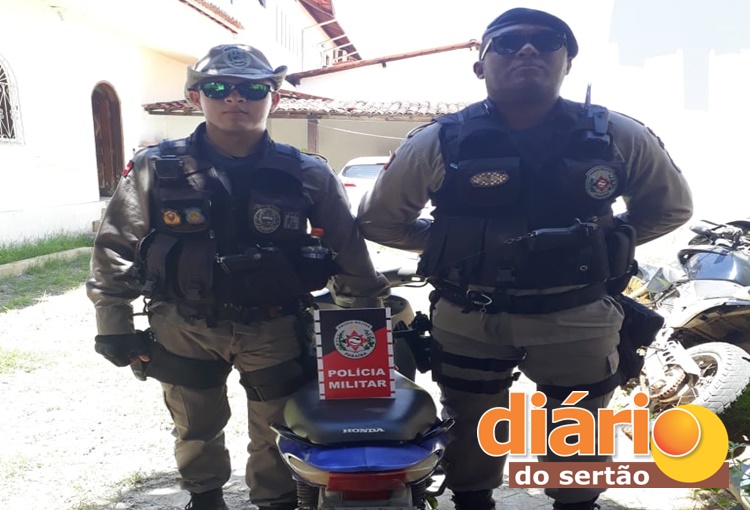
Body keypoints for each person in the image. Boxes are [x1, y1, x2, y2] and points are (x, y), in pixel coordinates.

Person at [357, 7, 693, 510]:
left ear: (567, 62)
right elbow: (380, 221)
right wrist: (455, 245)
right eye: (510, 42)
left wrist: (606, 243)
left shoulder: (618, 136)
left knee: (579, 431)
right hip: (471, 316)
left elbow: (670, 208)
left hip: (576, 315)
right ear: (480, 65)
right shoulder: (441, 140)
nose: (529, 49)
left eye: (547, 40)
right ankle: (473, 502)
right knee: (470, 425)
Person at [86, 44, 390, 510]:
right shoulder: (154, 168)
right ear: (195, 97)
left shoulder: (308, 172)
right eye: (217, 87)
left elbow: (349, 252)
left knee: (278, 429)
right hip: (184, 324)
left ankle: (276, 501)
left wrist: (367, 324)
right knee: (195, 426)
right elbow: (115, 244)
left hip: (275, 326)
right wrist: (113, 324)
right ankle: (205, 498)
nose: (234, 98)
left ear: (274, 98)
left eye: (252, 89)